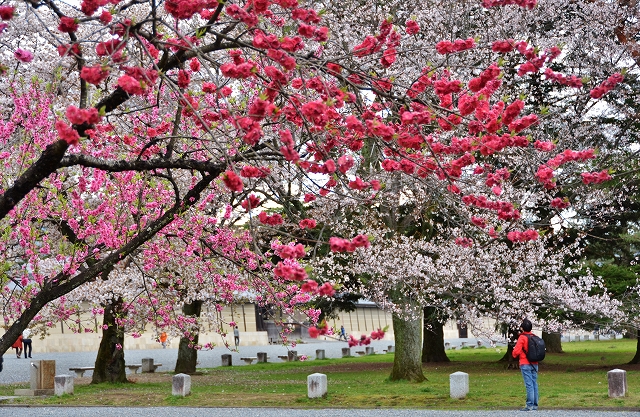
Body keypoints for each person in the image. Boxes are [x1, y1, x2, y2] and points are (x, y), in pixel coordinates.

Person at [512, 319, 539, 411]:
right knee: (534, 383)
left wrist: (514, 354)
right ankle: (535, 405)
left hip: (525, 363)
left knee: (529, 384)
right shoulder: (534, 337)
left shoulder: (522, 337)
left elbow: (516, 352)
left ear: (522, 328)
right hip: (534, 363)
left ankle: (529, 405)